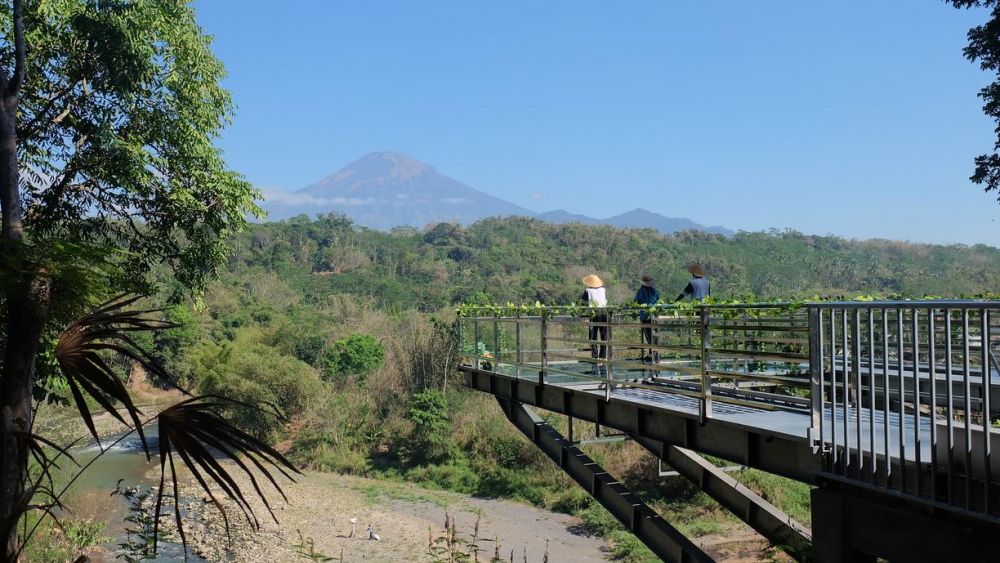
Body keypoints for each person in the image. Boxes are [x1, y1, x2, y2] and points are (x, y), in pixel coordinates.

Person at [580, 274, 608, 363]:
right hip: (604, 312)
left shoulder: (587, 291)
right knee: (604, 335)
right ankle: (603, 357)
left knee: (593, 335)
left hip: (594, 313)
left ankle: (595, 356)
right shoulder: (603, 290)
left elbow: (583, 303)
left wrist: (582, 311)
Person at [634, 274, 660, 362]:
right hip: (654, 315)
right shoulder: (654, 291)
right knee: (654, 335)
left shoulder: (641, 291)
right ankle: (655, 352)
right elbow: (658, 300)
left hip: (645, 316)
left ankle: (651, 353)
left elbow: (636, 301)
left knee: (648, 335)